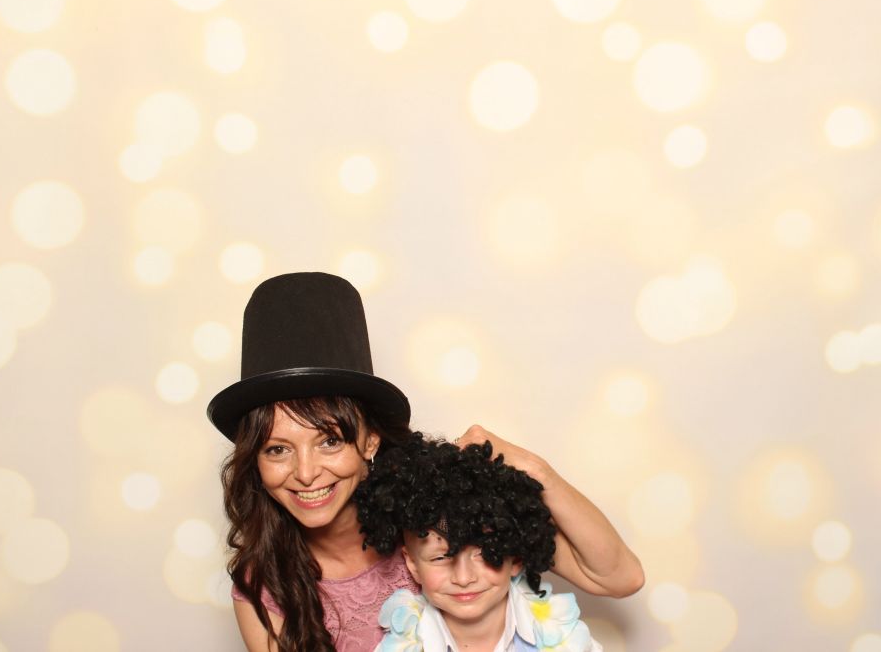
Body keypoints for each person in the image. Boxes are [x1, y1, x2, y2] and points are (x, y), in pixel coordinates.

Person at [208, 272, 644, 652]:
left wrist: (534, 470)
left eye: (329, 441)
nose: (305, 473)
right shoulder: (265, 585)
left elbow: (620, 577)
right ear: (255, 461)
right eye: (277, 449)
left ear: (370, 439)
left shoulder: (434, 506)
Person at [356, 433, 603, 651]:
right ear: (412, 566)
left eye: (485, 553)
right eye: (440, 557)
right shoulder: (396, 646)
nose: (464, 579)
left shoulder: (570, 641)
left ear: (516, 557)